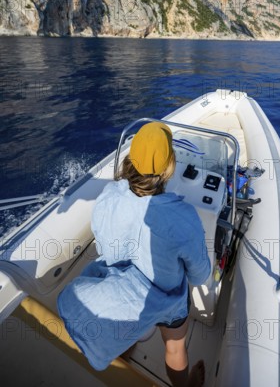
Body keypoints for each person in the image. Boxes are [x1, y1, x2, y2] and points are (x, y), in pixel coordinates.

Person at [58, 121, 211, 387]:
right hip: (169, 302)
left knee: (128, 334)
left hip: (124, 295)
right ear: (169, 168)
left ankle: (125, 355)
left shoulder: (109, 196)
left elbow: (105, 247)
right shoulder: (184, 218)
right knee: (175, 348)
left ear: (131, 159)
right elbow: (200, 276)